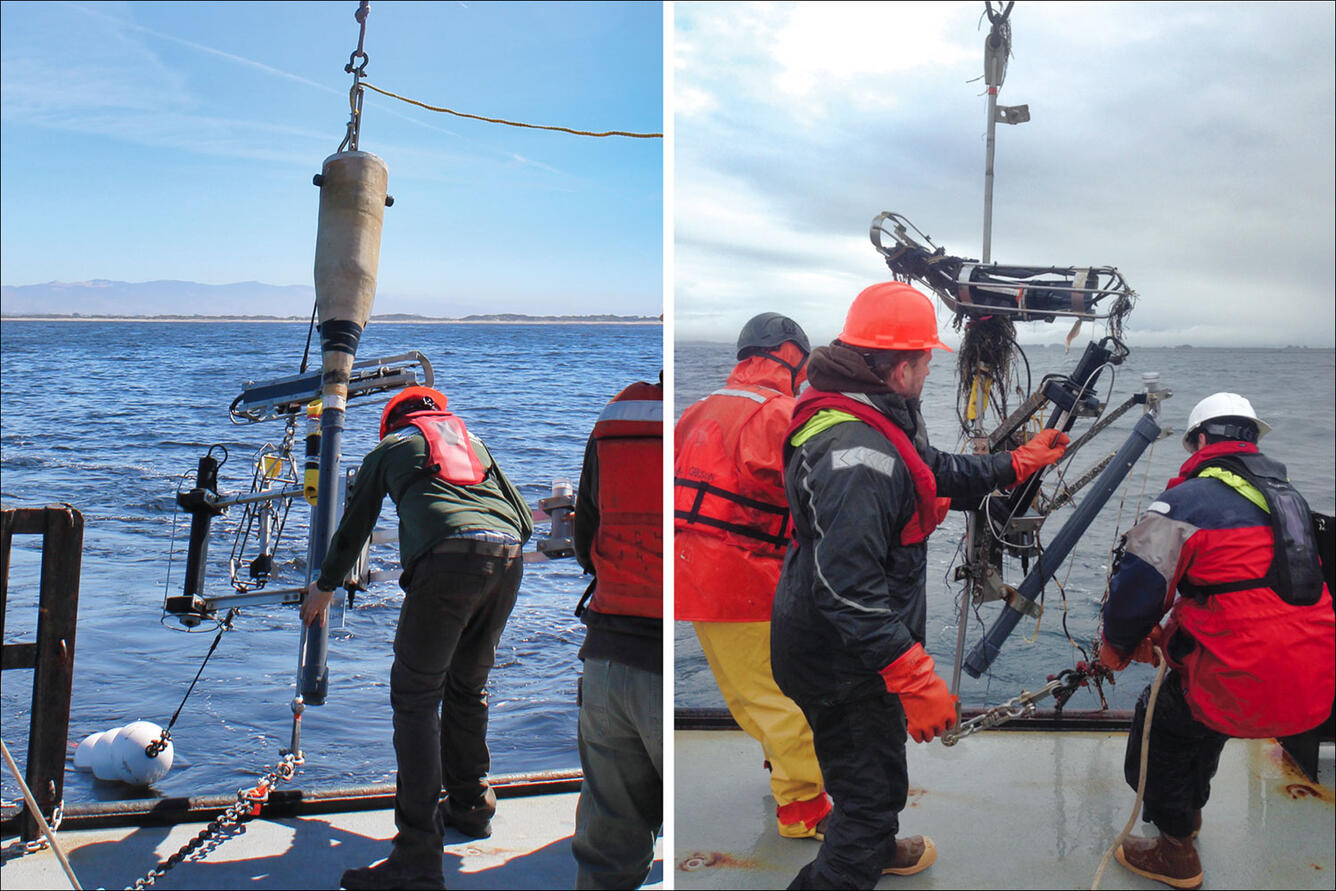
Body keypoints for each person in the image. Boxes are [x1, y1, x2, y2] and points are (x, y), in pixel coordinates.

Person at [769, 281, 1069, 890]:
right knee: (869, 799)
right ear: (902, 365)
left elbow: (932, 473)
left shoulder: (869, 414)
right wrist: (914, 676)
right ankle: (861, 850)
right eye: (929, 359)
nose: (933, 370)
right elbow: (847, 590)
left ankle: (873, 843)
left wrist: (1015, 465)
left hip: (851, 649)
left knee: (873, 774)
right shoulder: (854, 451)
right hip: (842, 658)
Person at [300, 385, 533, 891]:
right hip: (507, 561)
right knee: (467, 688)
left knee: (415, 702)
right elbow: (525, 519)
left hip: (447, 566)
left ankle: (418, 860)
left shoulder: (391, 448)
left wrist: (324, 586)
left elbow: (355, 524)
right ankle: (471, 807)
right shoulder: (474, 445)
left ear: (393, 423)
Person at [1099, 391, 1334, 891]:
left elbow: (1136, 588)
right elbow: (1253, 592)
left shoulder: (1186, 502)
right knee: (1203, 718)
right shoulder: (1292, 501)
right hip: (1309, 680)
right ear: (1251, 441)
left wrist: (1118, 645)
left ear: (1201, 442)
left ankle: (1175, 848)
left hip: (1238, 676)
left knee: (1160, 721)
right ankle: (1191, 814)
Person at [674, 313, 833, 839]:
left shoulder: (696, 411)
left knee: (746, 694)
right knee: (787, 697)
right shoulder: (782, 415)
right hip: (746, 580)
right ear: (793, 357)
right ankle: (803, 808)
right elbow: (823, 494)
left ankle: (780, 768)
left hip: (690, 581)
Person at [570, 376, 664, 890]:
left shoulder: (616, 414)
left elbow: (586, 536)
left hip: (607, 659)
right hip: (661, 657)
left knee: (608, 851)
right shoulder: (695, 422)